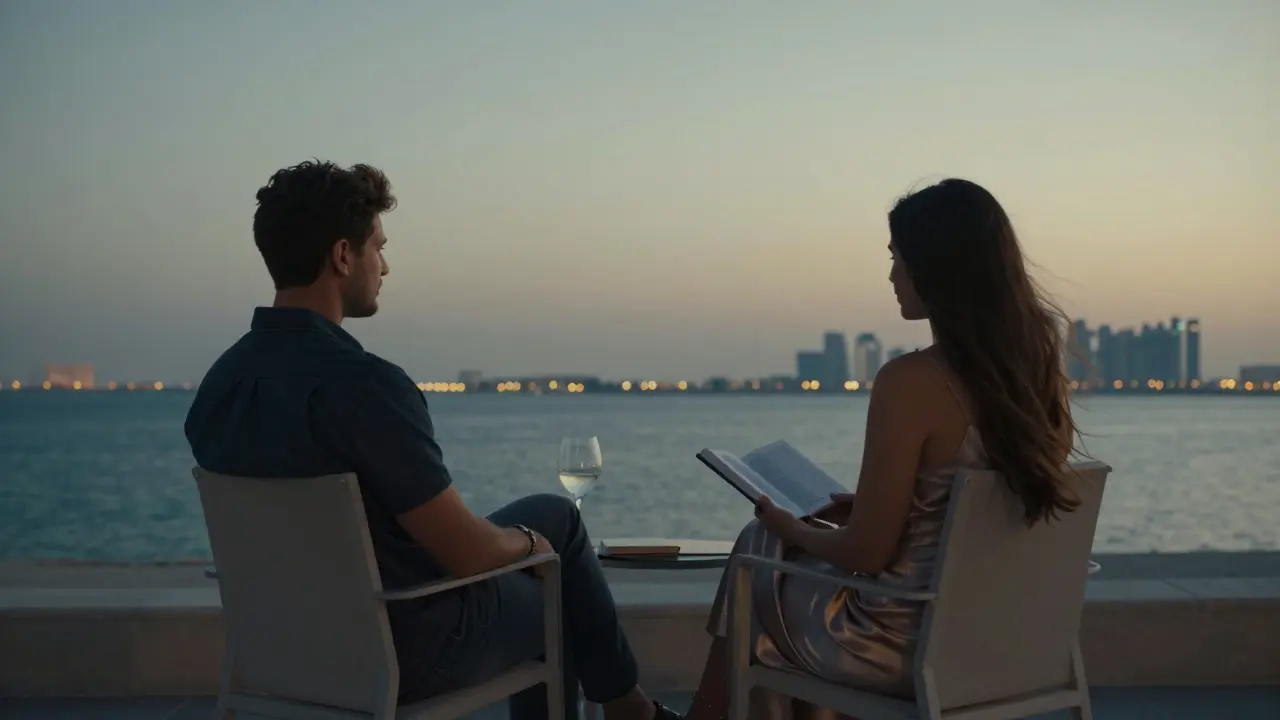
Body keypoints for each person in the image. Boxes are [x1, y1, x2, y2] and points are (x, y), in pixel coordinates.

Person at [184, 160, 681, 720]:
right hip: (403, 650)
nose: (385, 266)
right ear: (343, 256)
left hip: (281, 647)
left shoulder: (220, 385)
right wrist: (526, 544)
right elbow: (466, 552)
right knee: (556, 580)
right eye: (378, 247)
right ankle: (632, 709)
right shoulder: (366, 386)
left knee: (556, 515)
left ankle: (630, 706)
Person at [685, 179, 1083, 720]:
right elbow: (970, 514)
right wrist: (891, 507)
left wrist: (791, 528)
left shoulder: (912, 381)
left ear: (935, 266)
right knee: (777, 569)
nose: (892, 275)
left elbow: (868, 555)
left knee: (760, 550)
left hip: (906, 646)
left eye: (898, 258)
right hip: (1007, 641)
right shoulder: (1039, 377)